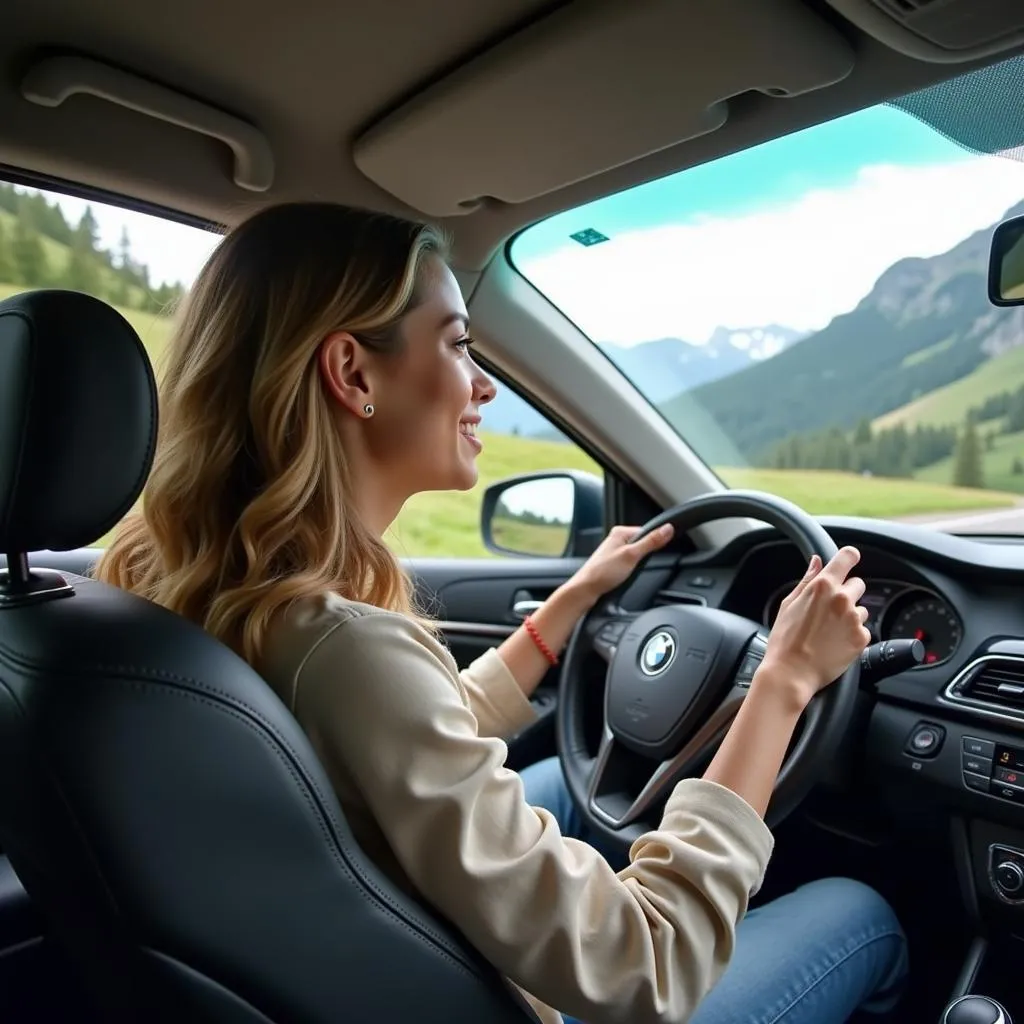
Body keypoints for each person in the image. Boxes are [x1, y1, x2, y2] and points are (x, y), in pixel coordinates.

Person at [96, 202, 908, 1024]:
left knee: (560, 780)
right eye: (456, 343)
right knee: (861, 913)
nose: (482, 383)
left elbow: (398, 741)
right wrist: (784, 681)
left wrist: (569, 606)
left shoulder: (179, 590)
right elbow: (648, 968)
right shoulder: (341, 645)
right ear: (353, 374)